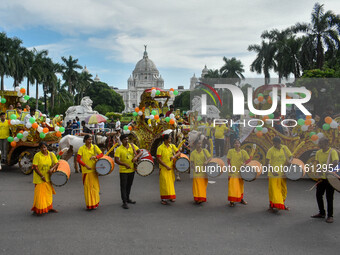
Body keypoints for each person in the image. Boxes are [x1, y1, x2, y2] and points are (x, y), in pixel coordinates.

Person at [311, 137, 339, 223]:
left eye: (321, 143)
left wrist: (327, 168)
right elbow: (318, 163)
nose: (319, 145)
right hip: (321, 178)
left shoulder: (332, 151)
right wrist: (318, 172)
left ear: (326, 144)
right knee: (318, 195)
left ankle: (330, 216)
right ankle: (322, 213)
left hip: (330, 178)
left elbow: (335, 162)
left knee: (329, 197)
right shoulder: (318, 152)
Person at [114, 134, 143, 209]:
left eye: (127, 139)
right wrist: (124, 164)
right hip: (123, 171)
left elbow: (140, 152)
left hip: (132, 169)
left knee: (129, 185)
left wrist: (136, 157)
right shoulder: (119, 149)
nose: (126, 141)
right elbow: (116, 160)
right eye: (124, 140)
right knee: (123, 186)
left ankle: (127, 198)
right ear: (121, 140)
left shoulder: (132, 146)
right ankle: (124, 202)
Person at [31, 142, 59, 215]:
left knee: (48, 194)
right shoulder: (37, 156)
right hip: (39, 179)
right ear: (40, 148)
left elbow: (57, 163)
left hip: (49, 178)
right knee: (40, 195)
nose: (44, 149)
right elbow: (35, 167)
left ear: (47, 147)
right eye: (42, 148)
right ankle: (39, 209)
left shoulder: (51, 155)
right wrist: (42, 176)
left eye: (45, 147)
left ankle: (49, 207)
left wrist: (52, 169)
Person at [77, 135, 103, 210]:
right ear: (85, 140)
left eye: (91, 139)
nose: (90, 141)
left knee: (95, 188)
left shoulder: (94, 147)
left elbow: (101, 154)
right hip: (86, 171)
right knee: (88, 188)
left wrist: (96, 157)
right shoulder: (81, 148)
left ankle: (95, 202)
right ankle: (89, 204)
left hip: (94, 170)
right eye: (88, 139)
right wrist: (85, 165)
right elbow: (78, 160)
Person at [266, 136, 292, 212]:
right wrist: (272, 171)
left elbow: (291, 156)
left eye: (275, 143)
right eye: (273, 143)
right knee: (273, 190)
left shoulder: (285, 148)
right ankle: (271, 206)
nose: (274, 144)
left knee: (283, 190)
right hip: (273, 174)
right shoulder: (270, 150)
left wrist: (290, 160)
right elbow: (267, 163)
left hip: (283, 173)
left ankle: (281, 204)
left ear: (279, 143)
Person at [157, 134, 181, 205]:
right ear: (165, 140)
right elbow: (158, 159)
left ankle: (171, 196)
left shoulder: (172, 146)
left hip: (171, 167)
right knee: (164, 183)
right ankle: (163, 198)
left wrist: (174, 156)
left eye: (170, 139)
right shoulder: (160, 148)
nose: (170, 140)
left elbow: (179, 153)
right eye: (169, 139)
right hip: (164, 168)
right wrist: (166, 166)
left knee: (171, 182)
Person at [227, 139, 250, 207]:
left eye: (238, 143)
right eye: (235, 143)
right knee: (232, 186)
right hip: (232, 171)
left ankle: (241, 199)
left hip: (240, 172)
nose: (237, 144)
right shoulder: (230, 151)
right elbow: (228, 161)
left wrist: (244, 163)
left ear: (240, 145)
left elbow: (248, 160)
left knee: (240, 186)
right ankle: (232, 201)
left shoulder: (243, 152)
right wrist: (230, 168)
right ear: (233, 144)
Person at [190, 139, 211, 204]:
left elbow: (210, 158)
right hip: (197, 171)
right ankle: (197, 197)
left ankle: (201, 197)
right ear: (195, 144)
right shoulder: (193, 153)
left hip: (204, 171)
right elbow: (192, 163)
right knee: (197, 185)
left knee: (203, 185)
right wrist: (194, 168)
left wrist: (206, 161)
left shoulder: (205, 151)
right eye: (198, 144)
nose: (200, 145)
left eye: (200, 143)